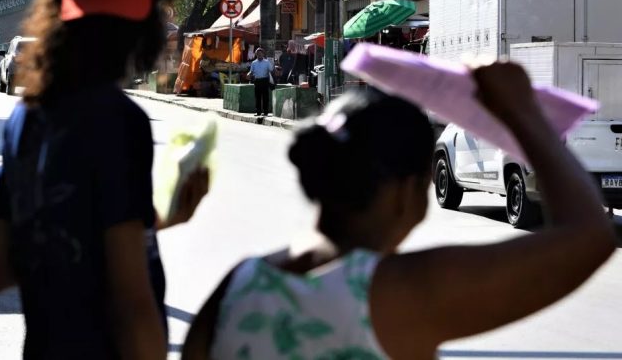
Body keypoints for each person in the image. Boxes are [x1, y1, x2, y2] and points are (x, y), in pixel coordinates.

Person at [182, 63, 615, 360]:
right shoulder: (400, 290)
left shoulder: (238, 286)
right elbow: (592, 234)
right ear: (409, 190)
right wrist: (522, 112)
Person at [0, 0, 210, 360]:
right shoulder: (118, 121)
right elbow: (130, 300)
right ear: (147, 14)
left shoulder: (28, 116)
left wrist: (158, 219)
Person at [247, 48, 272, 116]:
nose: (259, 55)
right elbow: (251, 71)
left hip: (265, 80)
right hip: (257, 81)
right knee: (257, 97)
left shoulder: (267, 62)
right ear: (256, 55)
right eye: (258, 54)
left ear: (263, 54)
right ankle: (258, 111)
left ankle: (266, 111)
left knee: (265, 97)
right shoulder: (254, 63)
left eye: (261, 53)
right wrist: (249, 74)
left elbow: (271, 70)